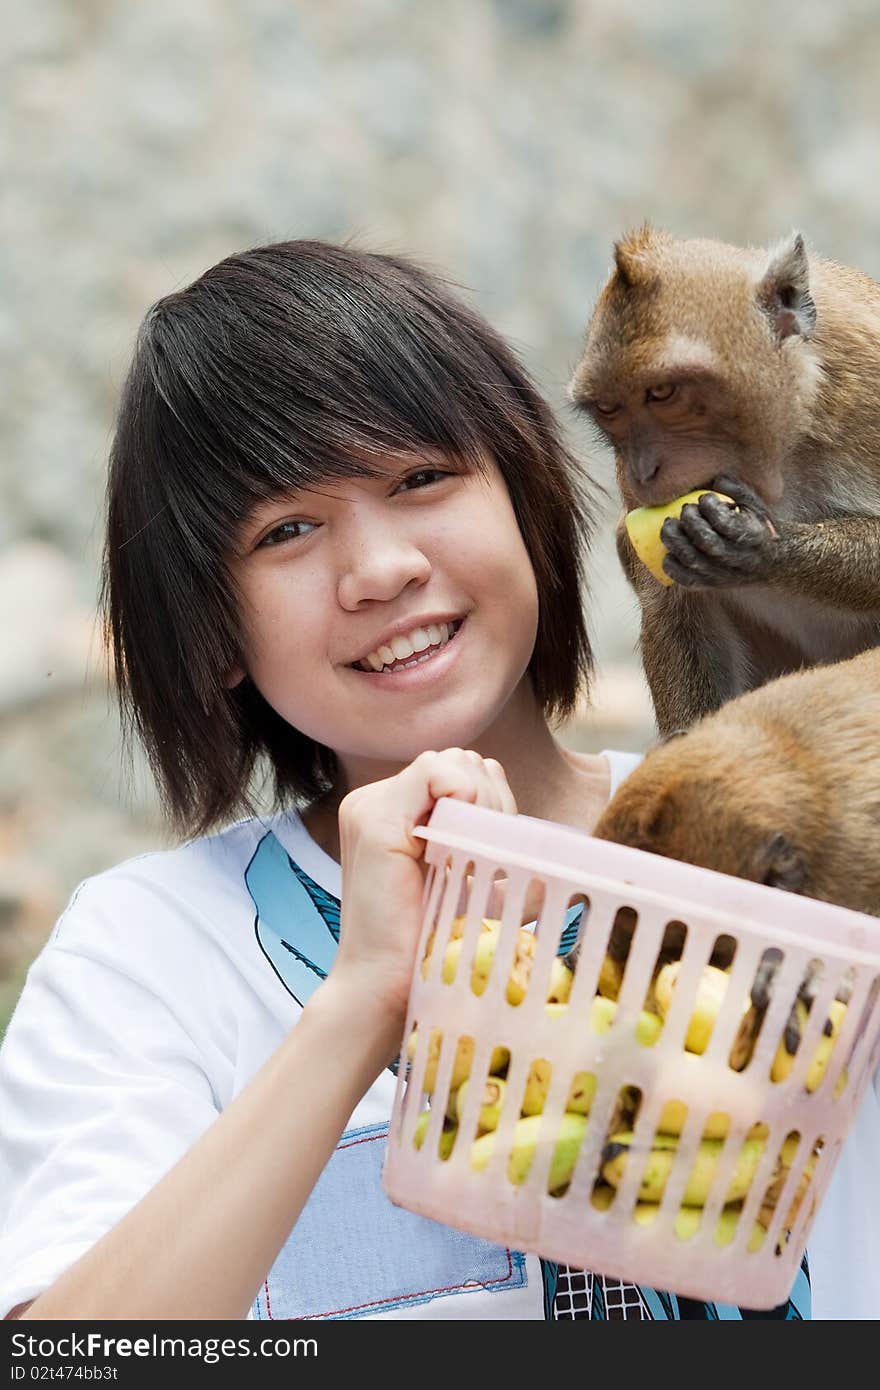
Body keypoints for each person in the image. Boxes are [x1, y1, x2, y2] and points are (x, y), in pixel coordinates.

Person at [0, 240, 813, 1321]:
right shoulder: (151, 954)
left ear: (524, 500)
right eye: (286, 529)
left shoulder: (792, 847)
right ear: (213, 628)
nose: (380, 569)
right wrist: (365, 997)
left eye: (420, 478)